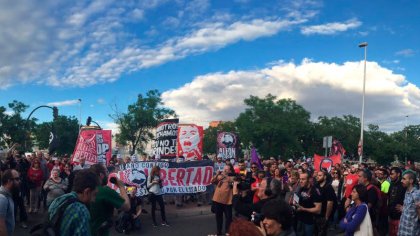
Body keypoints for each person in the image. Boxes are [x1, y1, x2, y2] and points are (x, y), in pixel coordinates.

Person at [47, 169, 99, 236]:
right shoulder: (81, 211)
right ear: (87, 192)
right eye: (94, 194)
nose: (94, 200)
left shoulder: (60, 199)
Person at [89, 164, 130, 236]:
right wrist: (121, 187)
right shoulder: (105, 191)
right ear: (101, 175)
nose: (108, 175)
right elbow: (127, 206)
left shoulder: (86, 189)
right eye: (107, 172)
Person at [294, 172, 322, 236]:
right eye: (300, 179)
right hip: (300, 219)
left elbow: (318, 210)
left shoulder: (315, 191)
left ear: (309, 179)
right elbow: (297, 201)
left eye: (303, 179)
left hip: (310, 222)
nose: (301, 181)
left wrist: (303, 209)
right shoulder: (300, 188)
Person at [211, 163, 234, 235]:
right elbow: (212, 181)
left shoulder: (232, 177)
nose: (225, 170)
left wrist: (225, 176)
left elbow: (233, 181)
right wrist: (217, 174)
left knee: (229, 218)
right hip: (218, 200)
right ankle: (219, 231)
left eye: (227, 169)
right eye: (224, 169)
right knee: (218, 217)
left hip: (228, 201)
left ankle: (228, 231)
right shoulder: (220, 176)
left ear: (230, 170)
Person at [397, 170, 420, 236]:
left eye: (404, 179)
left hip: (411, 232)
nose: (401, 181)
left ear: (411, 181)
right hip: (403, 230)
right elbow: (411, 209)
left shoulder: (417, 194)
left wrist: (418, 208)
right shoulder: (407, 192)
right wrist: (404, 209)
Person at [315, 169, 336, 236]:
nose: (317, 177)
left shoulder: (328, 188)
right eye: (317, 175)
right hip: (316, 214)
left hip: (323, 216)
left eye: (320, 175)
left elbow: (330, 203)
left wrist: (326, 218)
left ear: (325, 177)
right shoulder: (316, 185)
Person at [0, 169, 20, 236]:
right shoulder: (2, 199)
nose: (19, 181)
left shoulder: (8, 195)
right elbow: (1, 227)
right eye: (17, 179)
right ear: (9, 181)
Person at [388, 167, 406, 236]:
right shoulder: (391, 184)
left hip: (400, 217)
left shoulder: (403, 185)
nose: (390, 176)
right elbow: (390, 198)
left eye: (392, 174)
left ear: (398, 174)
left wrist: (404, 207)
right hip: (391, 215)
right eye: (390, 174)